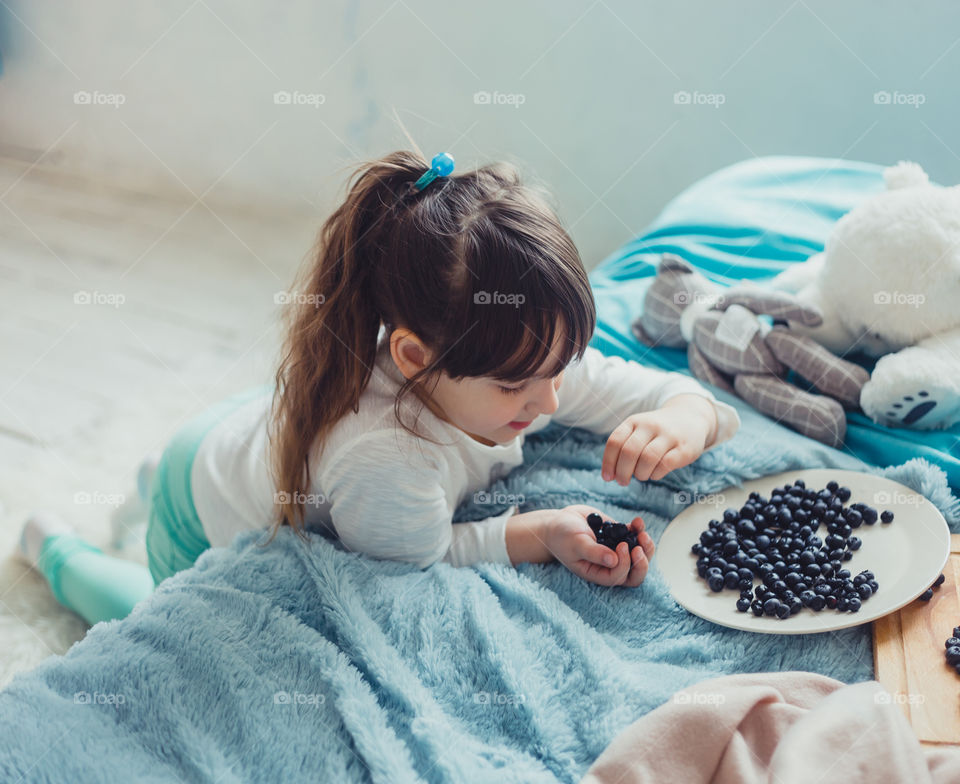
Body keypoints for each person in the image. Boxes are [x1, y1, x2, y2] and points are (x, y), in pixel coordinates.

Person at [15, 149, 740, 627]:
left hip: (242, 427)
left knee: (231, 440)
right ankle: (55, 549)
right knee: (142, 610)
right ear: (414, 356)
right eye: (519, 386)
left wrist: (686, 418)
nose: (551, 402)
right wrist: (540, 534)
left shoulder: (520, 351)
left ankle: (143, 476)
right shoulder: (387, 460)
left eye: (561, 370)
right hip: (206, 496)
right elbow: (423, 557)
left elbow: (677, 399)